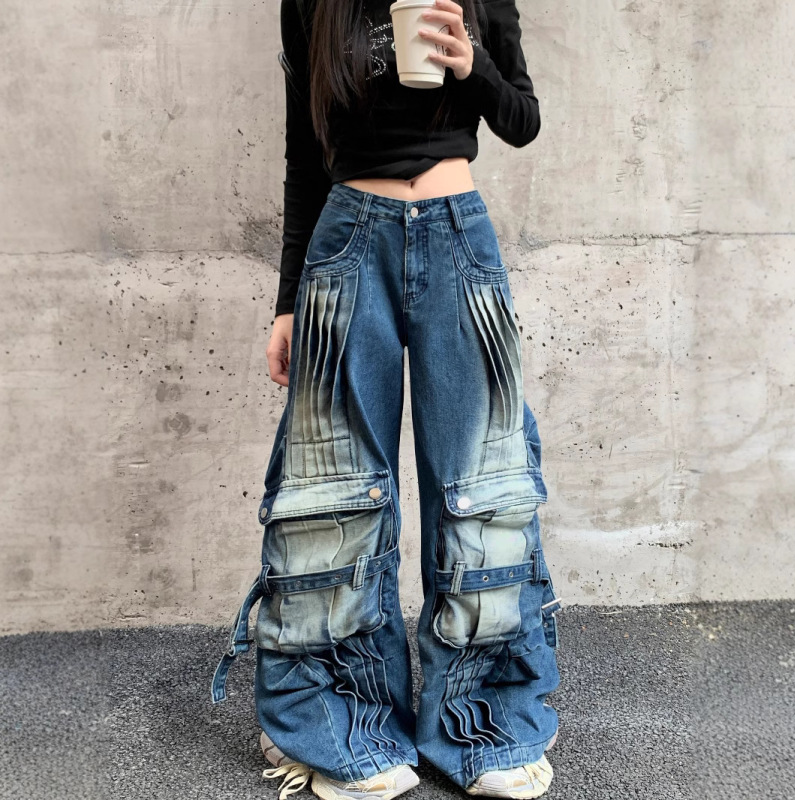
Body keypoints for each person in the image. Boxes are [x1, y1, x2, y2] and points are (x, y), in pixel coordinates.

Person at [211, 1, 563, 798]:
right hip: (348, 241)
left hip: (458, 234)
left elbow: (524, 119)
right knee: (334, 489)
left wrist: (473, 66)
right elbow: (305, 153)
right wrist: (287, 303)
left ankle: (485, 724)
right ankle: (343, 726)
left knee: (480, 482)